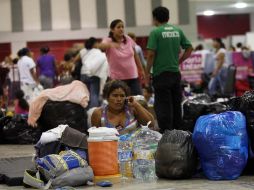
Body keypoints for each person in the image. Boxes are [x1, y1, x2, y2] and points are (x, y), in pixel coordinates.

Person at [146, 6, 193, 133]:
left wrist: (146, 74)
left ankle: (167, 134)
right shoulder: (177, 30)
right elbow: (189, 48)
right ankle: (179, 133)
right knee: (176, 103)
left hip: (161, 74)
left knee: (163, 105)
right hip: (175, 74)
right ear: (168, 17)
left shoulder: (155, 32)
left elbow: (150, 55)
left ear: (155, 18)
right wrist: (179, 61)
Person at [99, 19, 145, 95]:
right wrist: (111, 45)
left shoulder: (128, 39)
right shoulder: (108, 40)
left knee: (139, 100)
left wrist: (141, 70)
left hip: (133, 76)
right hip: (117, 79)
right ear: (112, 29)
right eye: (118, 27)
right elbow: (101, 48)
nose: (121, 29)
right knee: (120, 102)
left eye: (122, 27)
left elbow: (135, 55)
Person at [80, 37, 108, 108]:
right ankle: (92, 112)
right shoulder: (98, 52)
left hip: (83, 73)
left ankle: (84, 110)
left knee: (85, 94)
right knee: (94, 94)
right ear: (95, 44)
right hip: (93, 74)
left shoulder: (82, 51)